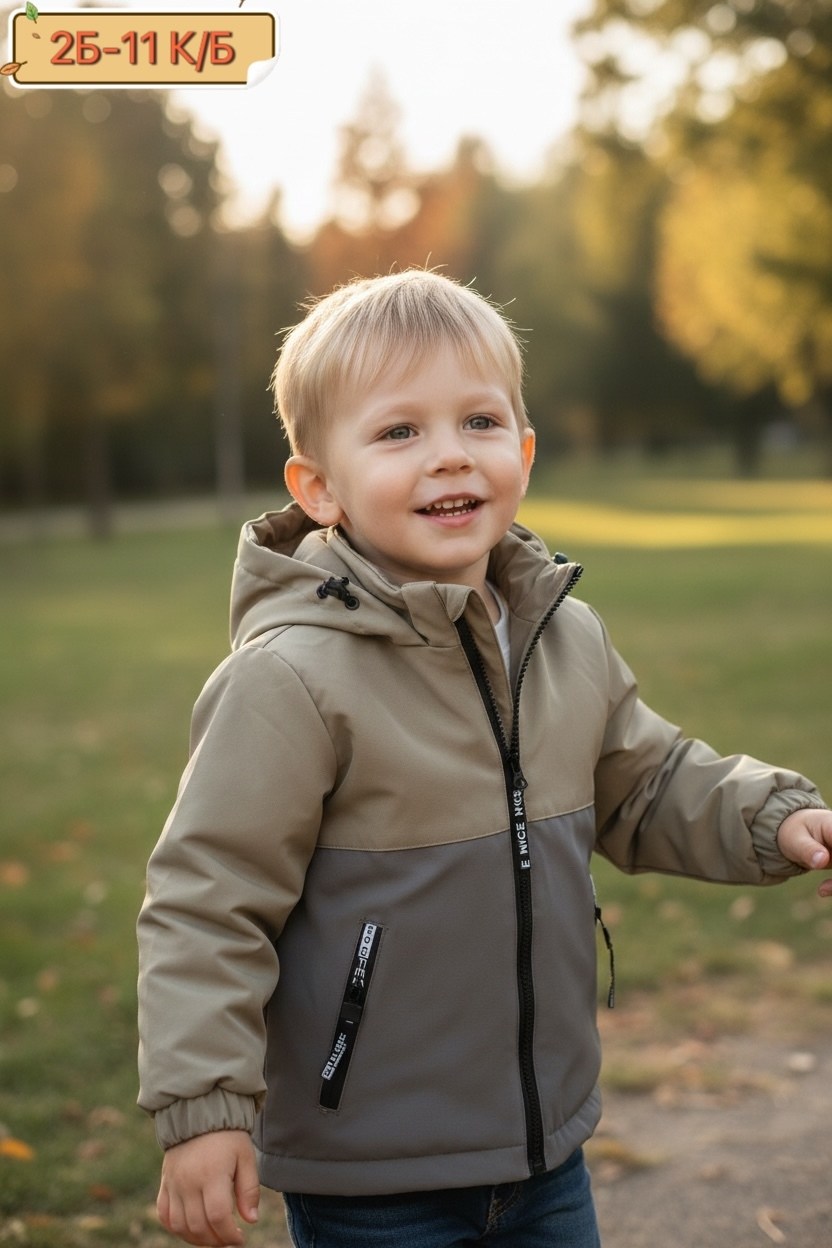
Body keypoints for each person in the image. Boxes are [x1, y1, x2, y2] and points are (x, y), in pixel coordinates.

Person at [137, 269, 831, 1248]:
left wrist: (774, 819)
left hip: (544, 1152)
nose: (447, 458)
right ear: (318, 488)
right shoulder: (290, 680)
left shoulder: (564, 637)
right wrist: (203, 1107)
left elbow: (646, 783)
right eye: (398, 432)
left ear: (524, 450)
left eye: (478, 422)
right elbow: (207, 898)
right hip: (373, 1176)